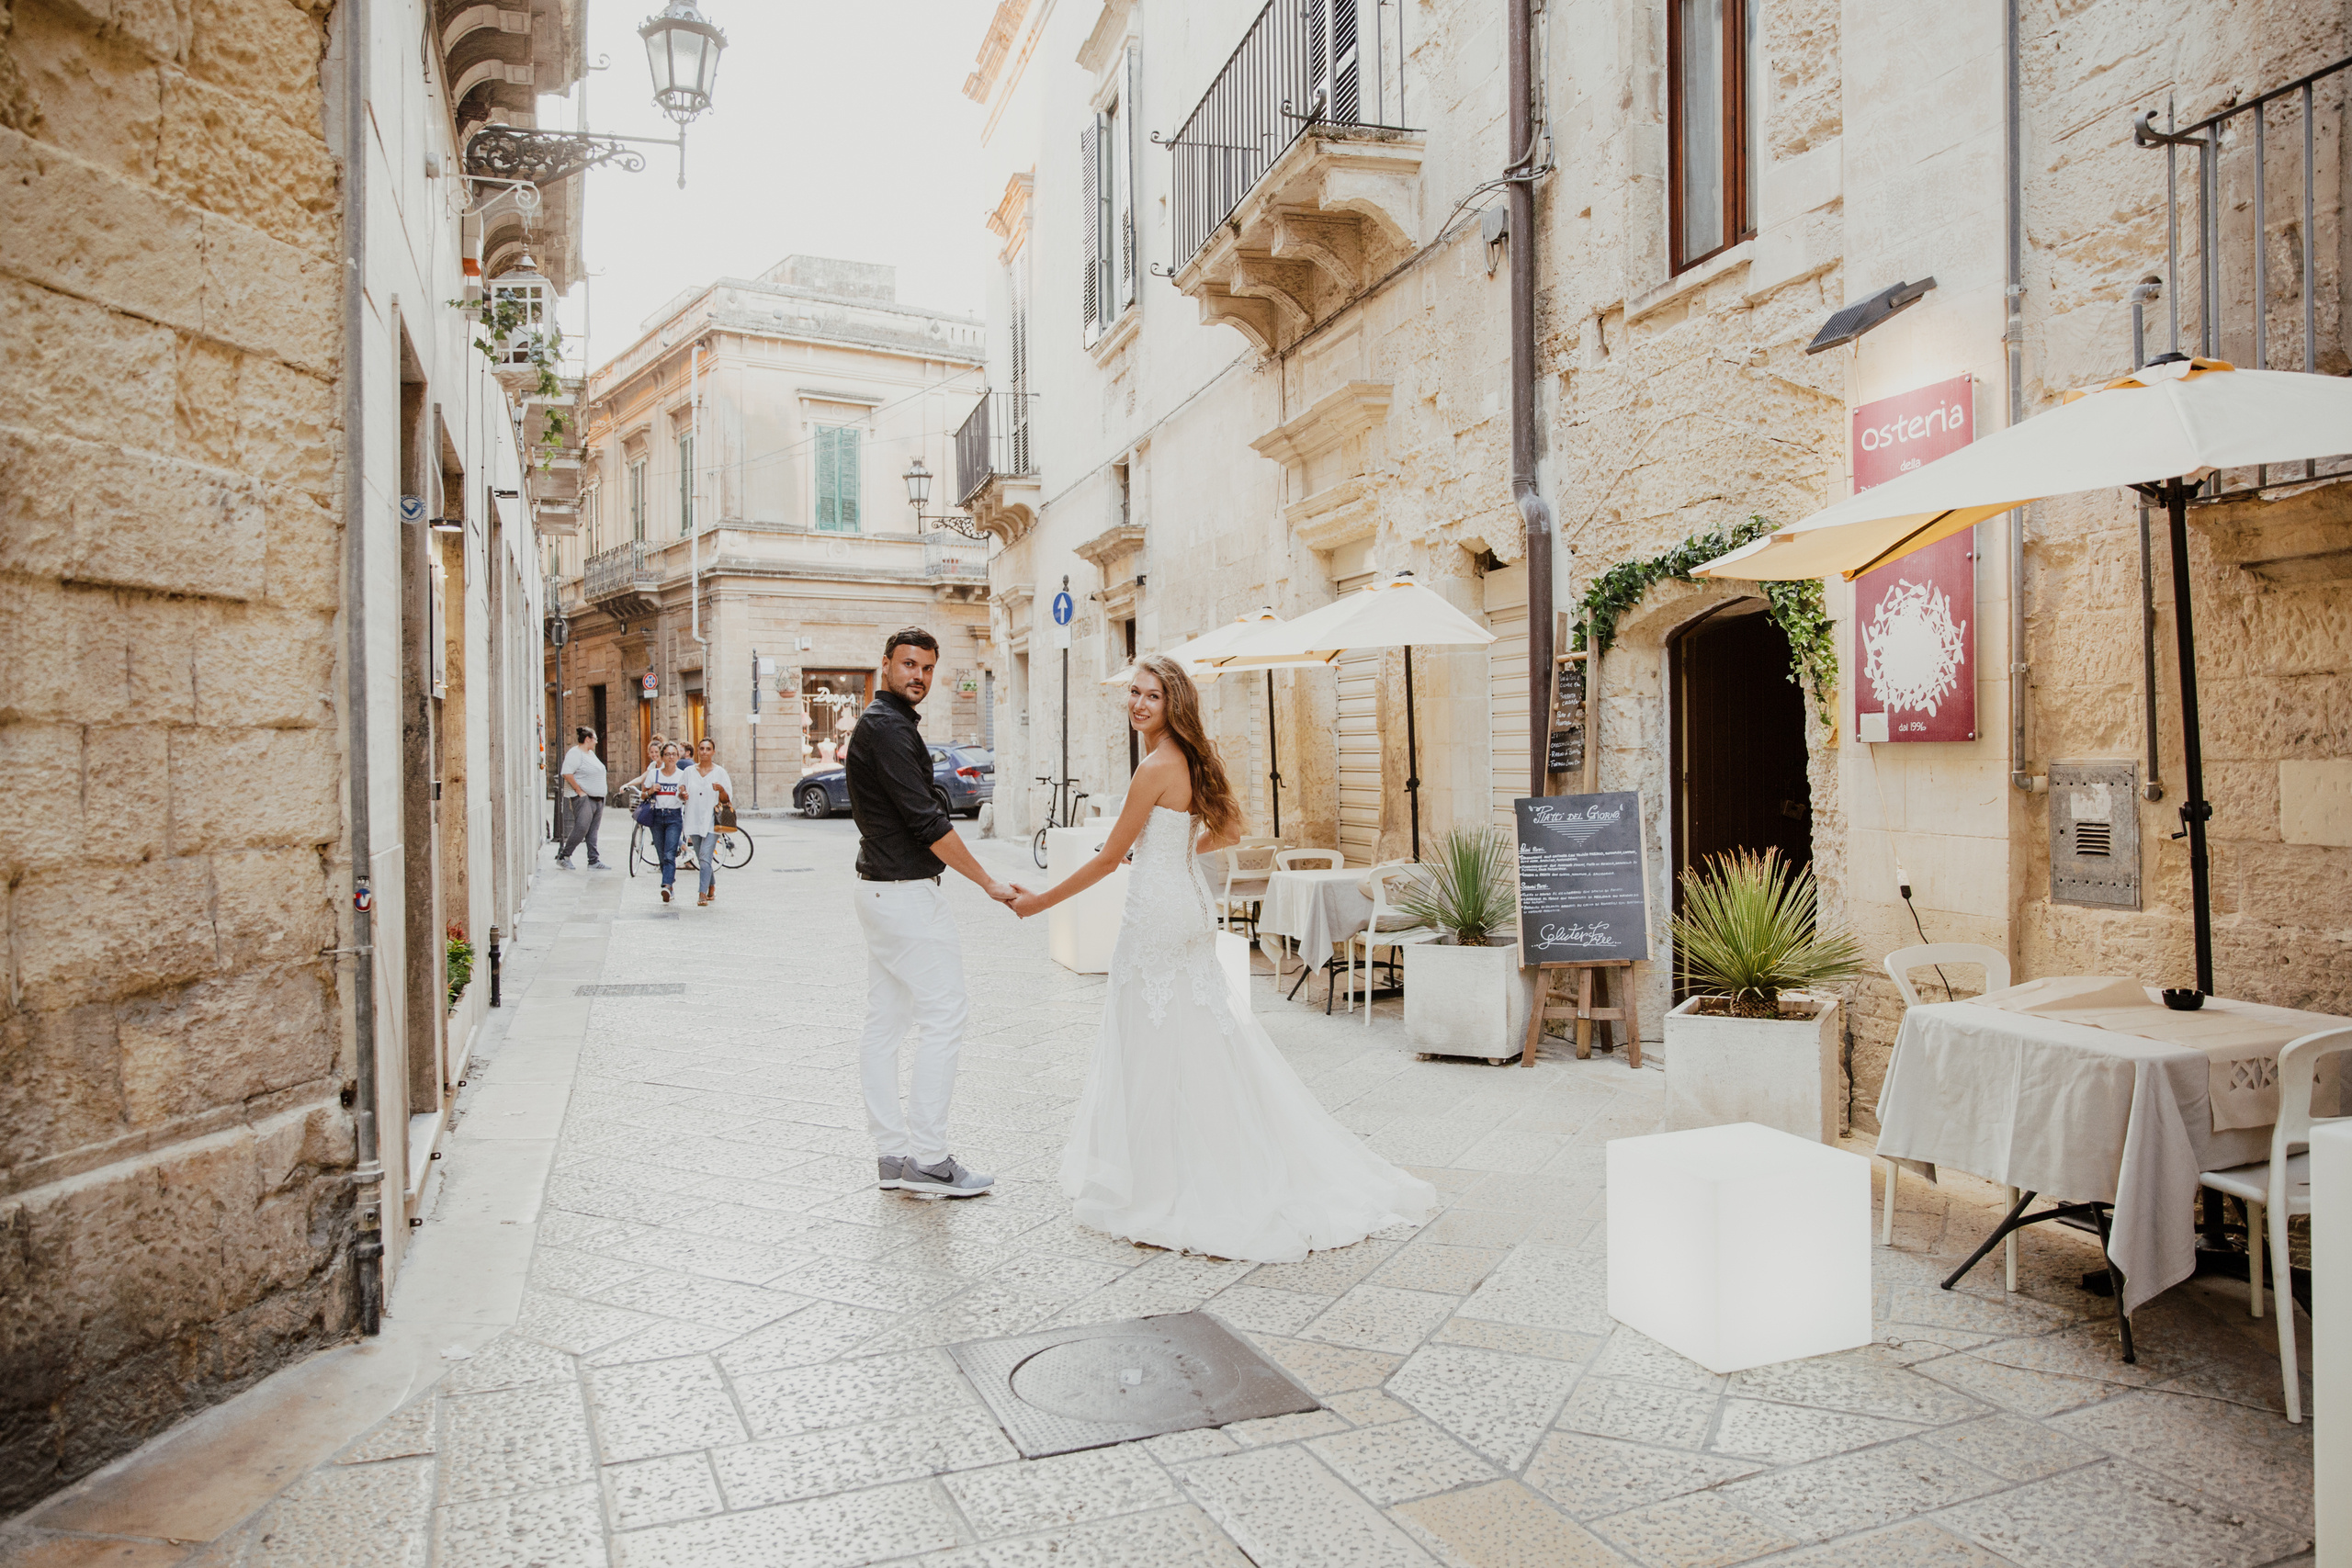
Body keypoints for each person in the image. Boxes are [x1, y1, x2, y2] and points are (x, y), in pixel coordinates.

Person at [1010, 654, 1435, 1261]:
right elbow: (1231, 830)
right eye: (1134, 692)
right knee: (1196, 1033)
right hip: (1190, 904)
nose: (1138, 704)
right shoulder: (1194, 758)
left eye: (1152, 696)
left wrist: (1039, 901)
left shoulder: (1153, 767)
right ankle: (1211, 1153)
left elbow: (1106, 860)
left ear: (1173, 703)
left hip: (1157, 915)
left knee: (1151, 1036)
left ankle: (1160, 1176)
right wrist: (1176, 850)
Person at [847, 626, 1028, 1199]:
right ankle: (928, 1159)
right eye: (908, 665)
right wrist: (988, 882)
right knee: (945, 1017)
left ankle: (892, 1154)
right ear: (885, 664)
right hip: (903, 895)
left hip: (881, 891)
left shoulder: (886, 724)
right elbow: (928, 822)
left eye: (926, 667)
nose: (918, 676)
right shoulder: (889, 728)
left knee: (885, 1023)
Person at [635, 741, 690, 902]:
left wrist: (684, 796)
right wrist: (651, 791)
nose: (670, 757)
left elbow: (686, 797)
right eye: (667, 754)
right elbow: (643, 795)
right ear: (662, 757)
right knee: (661, 853)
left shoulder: (682, 775)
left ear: (678, 757)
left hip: (674, 817)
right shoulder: (654, 774)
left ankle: (666, 885)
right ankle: (670, 885)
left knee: (669, 853)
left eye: (673, 754)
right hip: (657, 816)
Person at [682, 737, 733, 907]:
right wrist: (682, 794)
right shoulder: (689, 772)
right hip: (693, 818)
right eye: (702, 748)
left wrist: (721, 790)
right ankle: (711, 886)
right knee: (701, 856)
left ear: (713, 752)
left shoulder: (720, 772)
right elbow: (681, 791)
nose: (704, 752)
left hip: (713, 820)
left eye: (708, 749)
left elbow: (727, 800)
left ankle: (702, 893)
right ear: (698, 750)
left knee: (705, 855)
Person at [556, 727, 607, 869]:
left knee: (593, 830)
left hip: (598, 798)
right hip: (584, 798)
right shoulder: (575, 753)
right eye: (595, 739)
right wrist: (579, 791)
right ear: (587, 739)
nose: (596, 742)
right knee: (582, 827)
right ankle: (564, 856)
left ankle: (593, 860)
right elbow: (567, 773)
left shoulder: (590, 754)